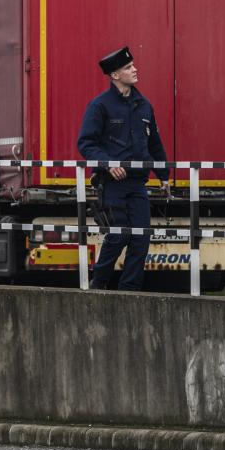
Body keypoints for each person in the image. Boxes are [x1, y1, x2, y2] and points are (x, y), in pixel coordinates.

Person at [77, 46, 169, 291]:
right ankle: (100, 283)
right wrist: (108, 163)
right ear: (115, 75)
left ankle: (130, 291)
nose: (135, 69)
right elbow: (86, 143)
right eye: (128, 67)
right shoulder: (100, 106)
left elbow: (154, 143)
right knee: (118, 235)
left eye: (133, 65)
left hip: (138, 184)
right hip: (112, 184)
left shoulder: (144, 105)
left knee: (141, 239)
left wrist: (164, 176)